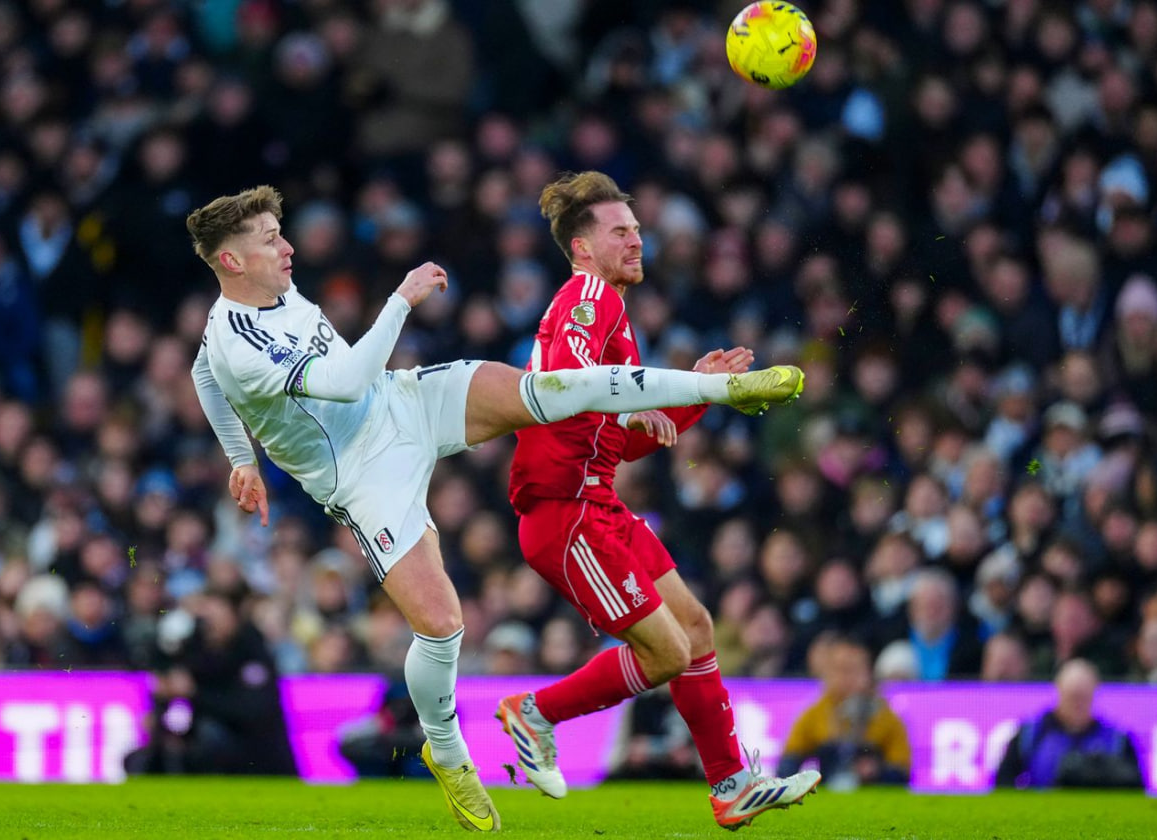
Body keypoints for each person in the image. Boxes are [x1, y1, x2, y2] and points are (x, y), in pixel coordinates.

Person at [185, 185, 805, 831]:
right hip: (363, 475)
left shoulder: (266, 293)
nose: (286, 247)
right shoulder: (238, 341)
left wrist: (241, 458)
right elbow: (336, 381)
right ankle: (449, 756)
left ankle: (719, 386)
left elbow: (202, 372)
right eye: (268, 240)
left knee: (545, 393)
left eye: (280, 234)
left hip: (405, 401)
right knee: (443, 625)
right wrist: (401, 300)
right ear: (232, 262)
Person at [494, 171, 820, 831]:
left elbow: (611, 433)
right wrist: (668, 395)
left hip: (598, 503)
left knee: (695, 627)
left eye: (638, 230)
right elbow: (570, 382)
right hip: (567, 513)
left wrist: (689, 394)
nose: (637, 241)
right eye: (621, 231)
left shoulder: (611, 309)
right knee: (668, 652)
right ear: (583, 248)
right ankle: (534, 712)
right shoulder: (589, 295)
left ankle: (730, 785)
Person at [124, 586, 297, 776]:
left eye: (217, 617)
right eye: (207, 619)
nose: (210, 626)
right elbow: (167, 672)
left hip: (255, 752)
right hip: (200, 739)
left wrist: (195, 693)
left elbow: (252, 711)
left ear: (234, 617)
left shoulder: (252, 651)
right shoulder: (197, 649)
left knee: (209, 735)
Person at [776, 636, 911, 788]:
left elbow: (902, 771)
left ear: (868, 674)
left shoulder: (885, 718)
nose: (846, 679)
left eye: (853, 671)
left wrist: (877, 772)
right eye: (840, 670)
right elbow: (787, 765)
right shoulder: (815, 715)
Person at [994, 659, 1144, 790]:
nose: (1077, 704)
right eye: (1072, 697)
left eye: (1083, 697)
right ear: (1059, 692)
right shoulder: (1031, 734)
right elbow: (1003, 781)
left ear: (1094, 694)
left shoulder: (1116, 739)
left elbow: (1137, 786)